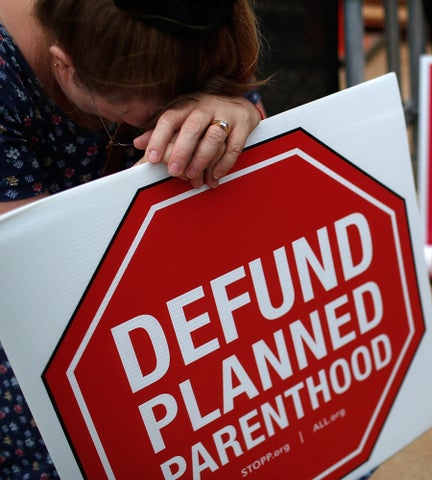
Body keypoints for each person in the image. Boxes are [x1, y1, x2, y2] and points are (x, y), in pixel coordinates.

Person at [0, 0, 264, 477]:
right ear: (64, 65)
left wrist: (230, 111)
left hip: (168, 296)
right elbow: (33, 279)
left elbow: (248, 118)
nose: (163, 122)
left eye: (183, 94)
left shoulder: (184, 21)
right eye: (139, 110)